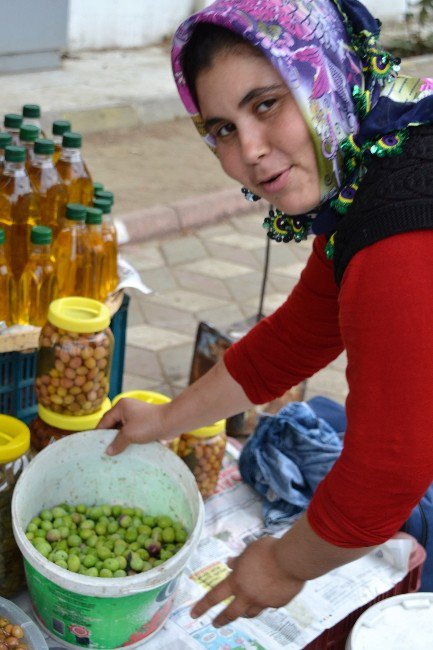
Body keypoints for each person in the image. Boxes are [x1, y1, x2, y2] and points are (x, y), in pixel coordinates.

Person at [99, 0, 433, 628]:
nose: (249, 151)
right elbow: (296, 338)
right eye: (222, 128)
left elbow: (389, 469)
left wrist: (283, 565)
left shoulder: (400, 226)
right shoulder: (372, 167)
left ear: (324, 72)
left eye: (266, 104)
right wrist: (167, 418)